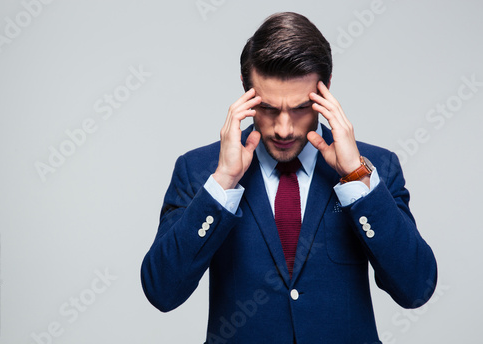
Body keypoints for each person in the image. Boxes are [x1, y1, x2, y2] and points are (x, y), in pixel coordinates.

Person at [141, 12, 437, 344]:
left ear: (325, 93)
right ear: (245, 89)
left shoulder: (376, 167)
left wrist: (357, 178)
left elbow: (416, 289)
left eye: (299, 108)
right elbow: (161, 292)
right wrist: (223, 181)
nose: (284, 128)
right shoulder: (199, 171)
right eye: (268, 109)